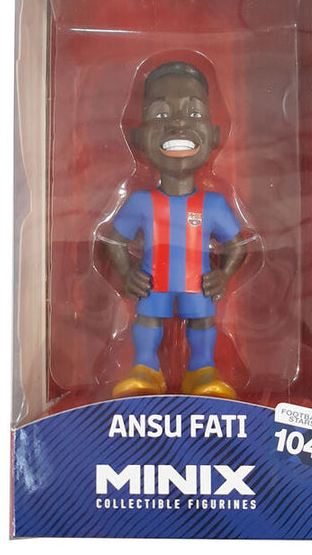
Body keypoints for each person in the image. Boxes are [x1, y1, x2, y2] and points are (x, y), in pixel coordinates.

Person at [106, 61, 246, 398]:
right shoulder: (141, 203)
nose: (178, 123)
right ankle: (145, 369)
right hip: (154, 281)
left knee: (202, 322)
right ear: (138, 138)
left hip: (197, 282)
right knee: (147, 321)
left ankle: (202, 371)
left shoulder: (213, 205)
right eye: (160, 115)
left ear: (215, 135)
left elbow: (237, 245)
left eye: (194, 114)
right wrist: (127, 274)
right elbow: (114, 240)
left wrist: (223, 276)